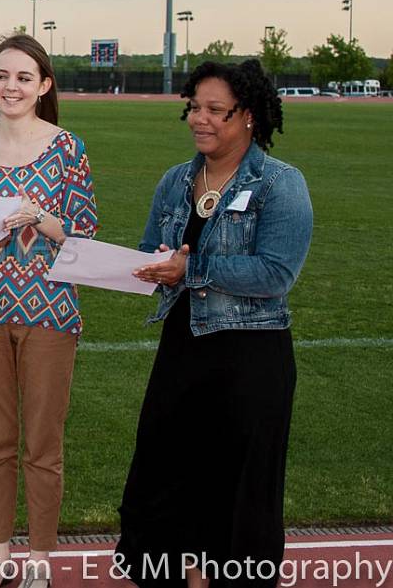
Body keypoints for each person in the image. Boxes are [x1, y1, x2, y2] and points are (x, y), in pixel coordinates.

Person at [118, 59, 313, 588]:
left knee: (239, 490)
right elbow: (148, 253)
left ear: (247, 116)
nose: (199, 119)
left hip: (251, 360)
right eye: (194, 108)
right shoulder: (175, 180)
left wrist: (191, 268)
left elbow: (276, 273)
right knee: (160, 481)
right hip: (183, 351)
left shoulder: (280, 185)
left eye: (214, 110)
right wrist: (146, 265)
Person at [0, 34, 97, 588]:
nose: (11, 87)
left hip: (51, 310)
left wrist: (42, 219)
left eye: (24, 78)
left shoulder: (67, 149)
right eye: (2, 76)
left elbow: (83, 235)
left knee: (43, 441)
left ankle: (39, 560)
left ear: (44, 86)